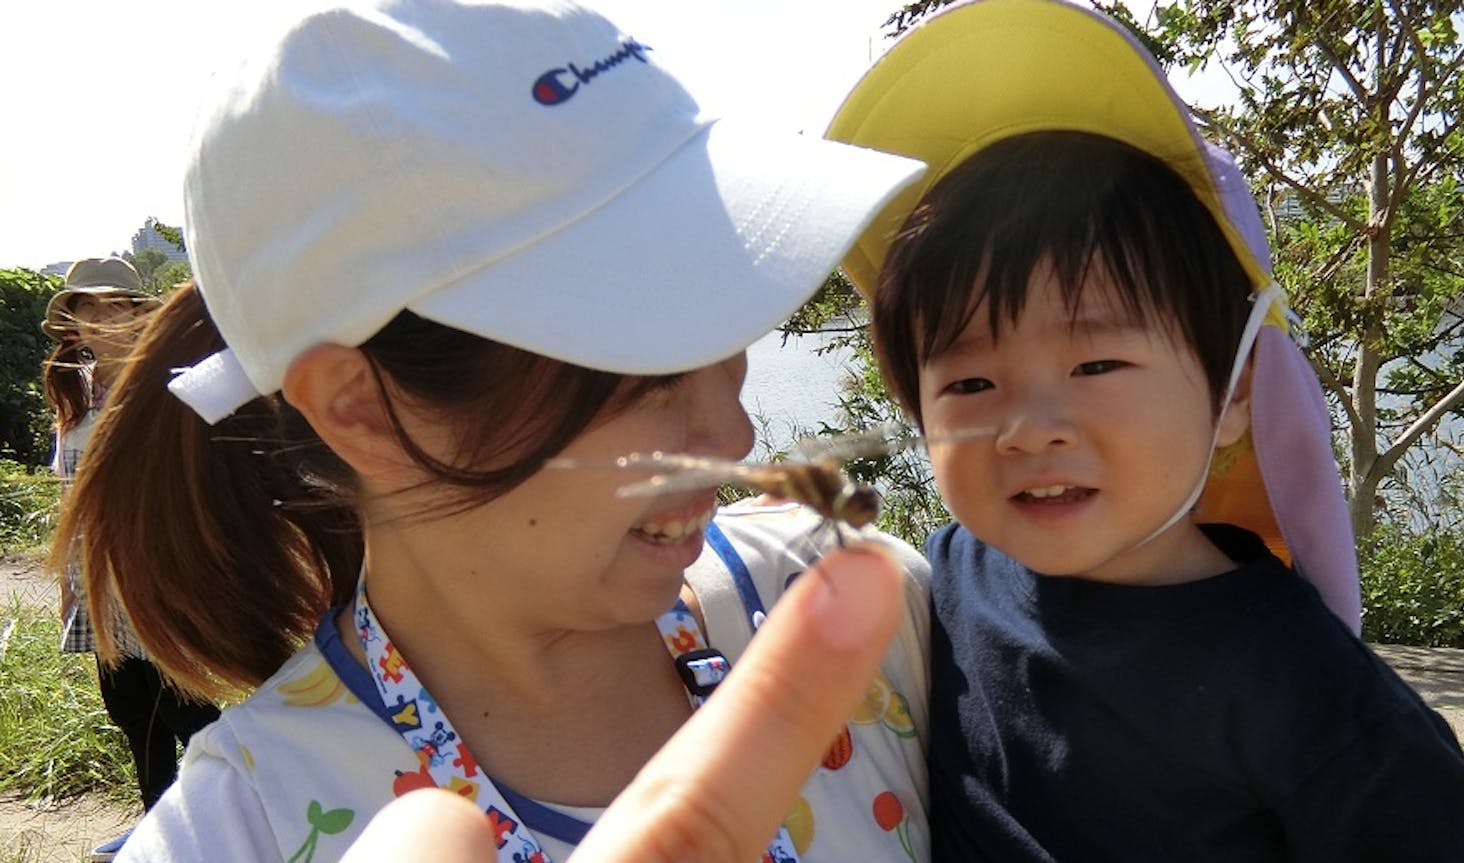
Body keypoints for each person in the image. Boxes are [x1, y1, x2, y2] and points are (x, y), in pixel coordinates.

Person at [52, 1, 934, 861]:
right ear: (358, 409)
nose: (733, 432)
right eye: (650, 369)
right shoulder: (245, 825)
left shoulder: (856, 604)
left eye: (727, 334)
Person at [826, 0, 1464, 859]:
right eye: (971, 381)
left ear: (1234, 391)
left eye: (1096, 365)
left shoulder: (1323, 707)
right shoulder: (944, 578)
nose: (1027, 429)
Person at [40, 257, 223, 862]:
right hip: (95, 577)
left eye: (118, 306)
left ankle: (239, 805)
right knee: (130, 708)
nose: (104, 319)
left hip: (153, 571)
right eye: (90, 309)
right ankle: (156, 829)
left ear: (143, 315)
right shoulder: (74, 393)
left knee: (183, 706)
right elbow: (69, 493)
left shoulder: (164, 384)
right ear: (74, 326)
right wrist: (69, 579)